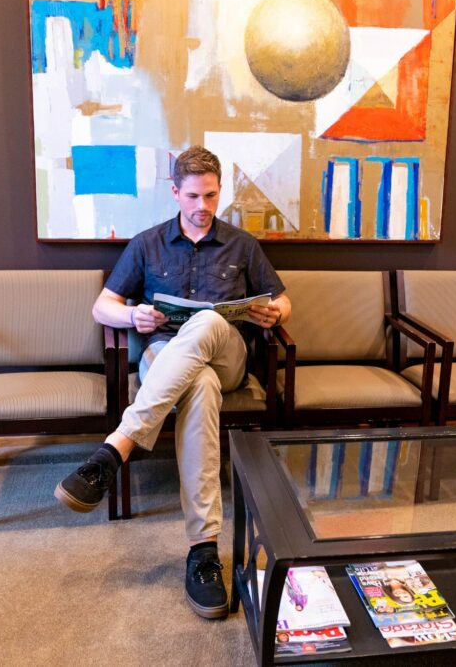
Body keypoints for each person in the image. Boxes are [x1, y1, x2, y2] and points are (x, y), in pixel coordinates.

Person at [53, 145, 291, 620]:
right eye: (194, 196)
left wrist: (273, 311)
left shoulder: (243, 245)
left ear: (219, 190)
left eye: (211, 196)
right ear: (175, 192)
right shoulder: (146, 243)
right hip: (167, 359)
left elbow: (284, 303)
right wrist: (132, 314)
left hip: (230, 356)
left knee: (204, 327)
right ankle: (203, 551)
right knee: (197, 384)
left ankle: (115, 449)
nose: (203, 207)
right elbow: (103, 307)